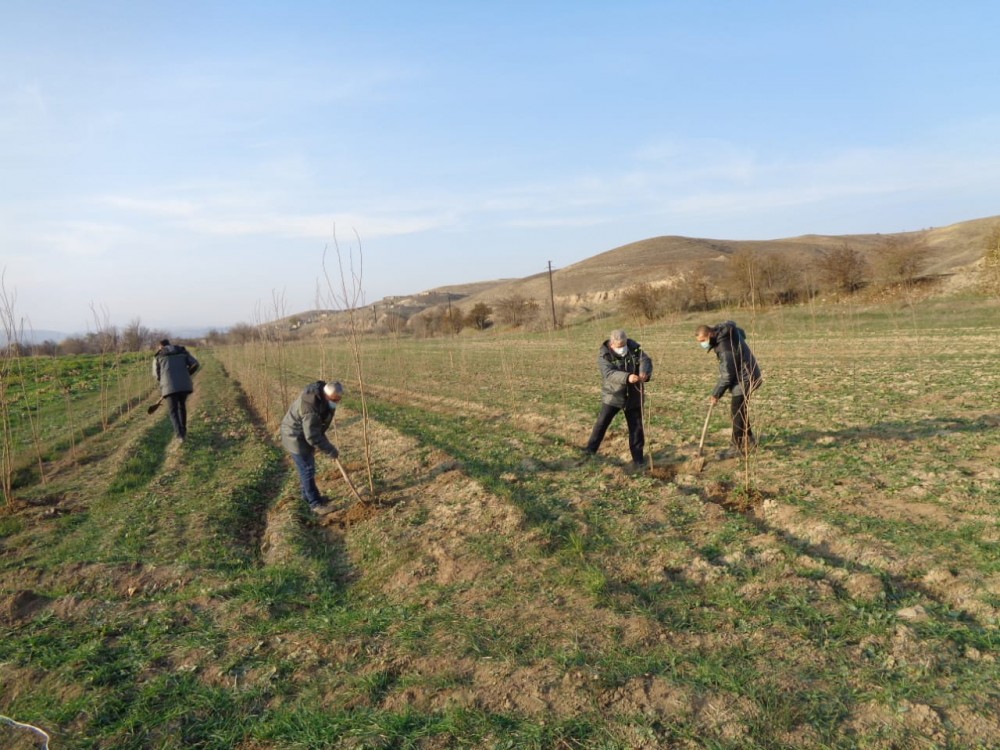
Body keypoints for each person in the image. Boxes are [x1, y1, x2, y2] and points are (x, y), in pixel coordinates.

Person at [584, 329, 653, 470]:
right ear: (612, 344)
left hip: (634, 395)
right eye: (619, 346)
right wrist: (627, 377)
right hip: (613, 395)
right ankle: (589, 451)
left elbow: (645, 359)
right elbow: (609, 373)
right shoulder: (604, 355)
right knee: (601, 424)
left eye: (624, 345)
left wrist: (644, 372)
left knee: (636, 429)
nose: (622, 348)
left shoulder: (634, 348)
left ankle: (638, 460)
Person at [695, 320, 763, 459]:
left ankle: (736, 447)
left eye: (703, 340)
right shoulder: (726, 332)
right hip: (748, 374)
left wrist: (716, 394)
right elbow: (741, 333)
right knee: (741, 410)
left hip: (745, 378)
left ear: (710, 334)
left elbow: (727, 376)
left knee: (736, 412)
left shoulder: (724, 347)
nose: (702, 344)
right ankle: (749, 440)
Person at [280, 380, 343, 515]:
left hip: (301, 434)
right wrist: (330, 450)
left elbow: (317, 429)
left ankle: (307, 497)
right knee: (307, 470)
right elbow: (313, 436)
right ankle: (315, 504)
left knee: (306, 469)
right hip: (295, 436)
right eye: (334, 399)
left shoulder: (320, 398)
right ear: (327, 395)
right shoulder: (311, 408)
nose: (336, 403)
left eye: (338, 400)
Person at [153, 338, 199, 443]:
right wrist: (187, 374)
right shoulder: (182, 351)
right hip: (184, 385)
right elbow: (195, 364)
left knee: (173, 410)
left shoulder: (159, 356)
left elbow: (158, 376)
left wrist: (163, 383)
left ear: (161, 346)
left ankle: (179, 435)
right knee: (181, 406)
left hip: (169, 387)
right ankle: (183, 431)